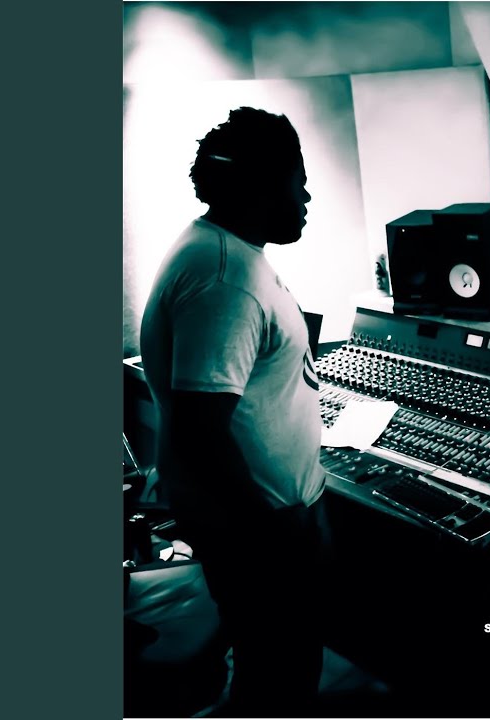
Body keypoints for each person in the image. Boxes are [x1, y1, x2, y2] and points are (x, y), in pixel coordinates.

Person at [139, 107, 329, 717]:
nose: (306, 197)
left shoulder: (222, 249)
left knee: (270, 658)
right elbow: (201, 432)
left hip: (261, 515)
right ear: (262, 188)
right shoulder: (226, 278)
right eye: (298, 182)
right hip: (259, 524)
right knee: (279, 674)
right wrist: (273, 533)